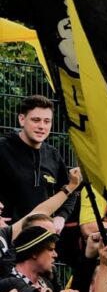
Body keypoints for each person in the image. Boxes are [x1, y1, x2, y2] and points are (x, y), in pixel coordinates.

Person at [0, 96, 79, 227]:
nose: (42, 126)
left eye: (47, 121)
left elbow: (71, 190)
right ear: (22, 119)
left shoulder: (53, 155)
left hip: (41, 237)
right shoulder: (3, 148)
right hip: (7, 236)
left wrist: (61, 216)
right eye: (36, 120)